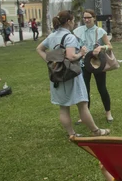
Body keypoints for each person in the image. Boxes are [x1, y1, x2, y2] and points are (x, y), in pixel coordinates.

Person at [36, 10, 109, 138]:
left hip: (57, 76)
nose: (74, 22)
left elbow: (39, 49)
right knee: (82, 104)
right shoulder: (70, 37)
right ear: (69, 21)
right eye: (73, 20)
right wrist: (81, 53)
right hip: (71, 75)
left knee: (63, 107)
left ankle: (72, 134)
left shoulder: (52, 36)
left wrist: (51, 61)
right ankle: (96, 131)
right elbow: (71, 56)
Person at [74, 9, 114, 123]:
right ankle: (84, 115)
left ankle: (108, 113)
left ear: (94, 18)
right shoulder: (78, 31)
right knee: (84, 90)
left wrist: (101, 47)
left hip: (98, 64)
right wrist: (79, 50)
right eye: (84, 18)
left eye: (89, 17)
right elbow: (73, 45)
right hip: (83, 63)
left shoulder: (100, 31)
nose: (86, 20)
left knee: (102, 88)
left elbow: (110, 46)